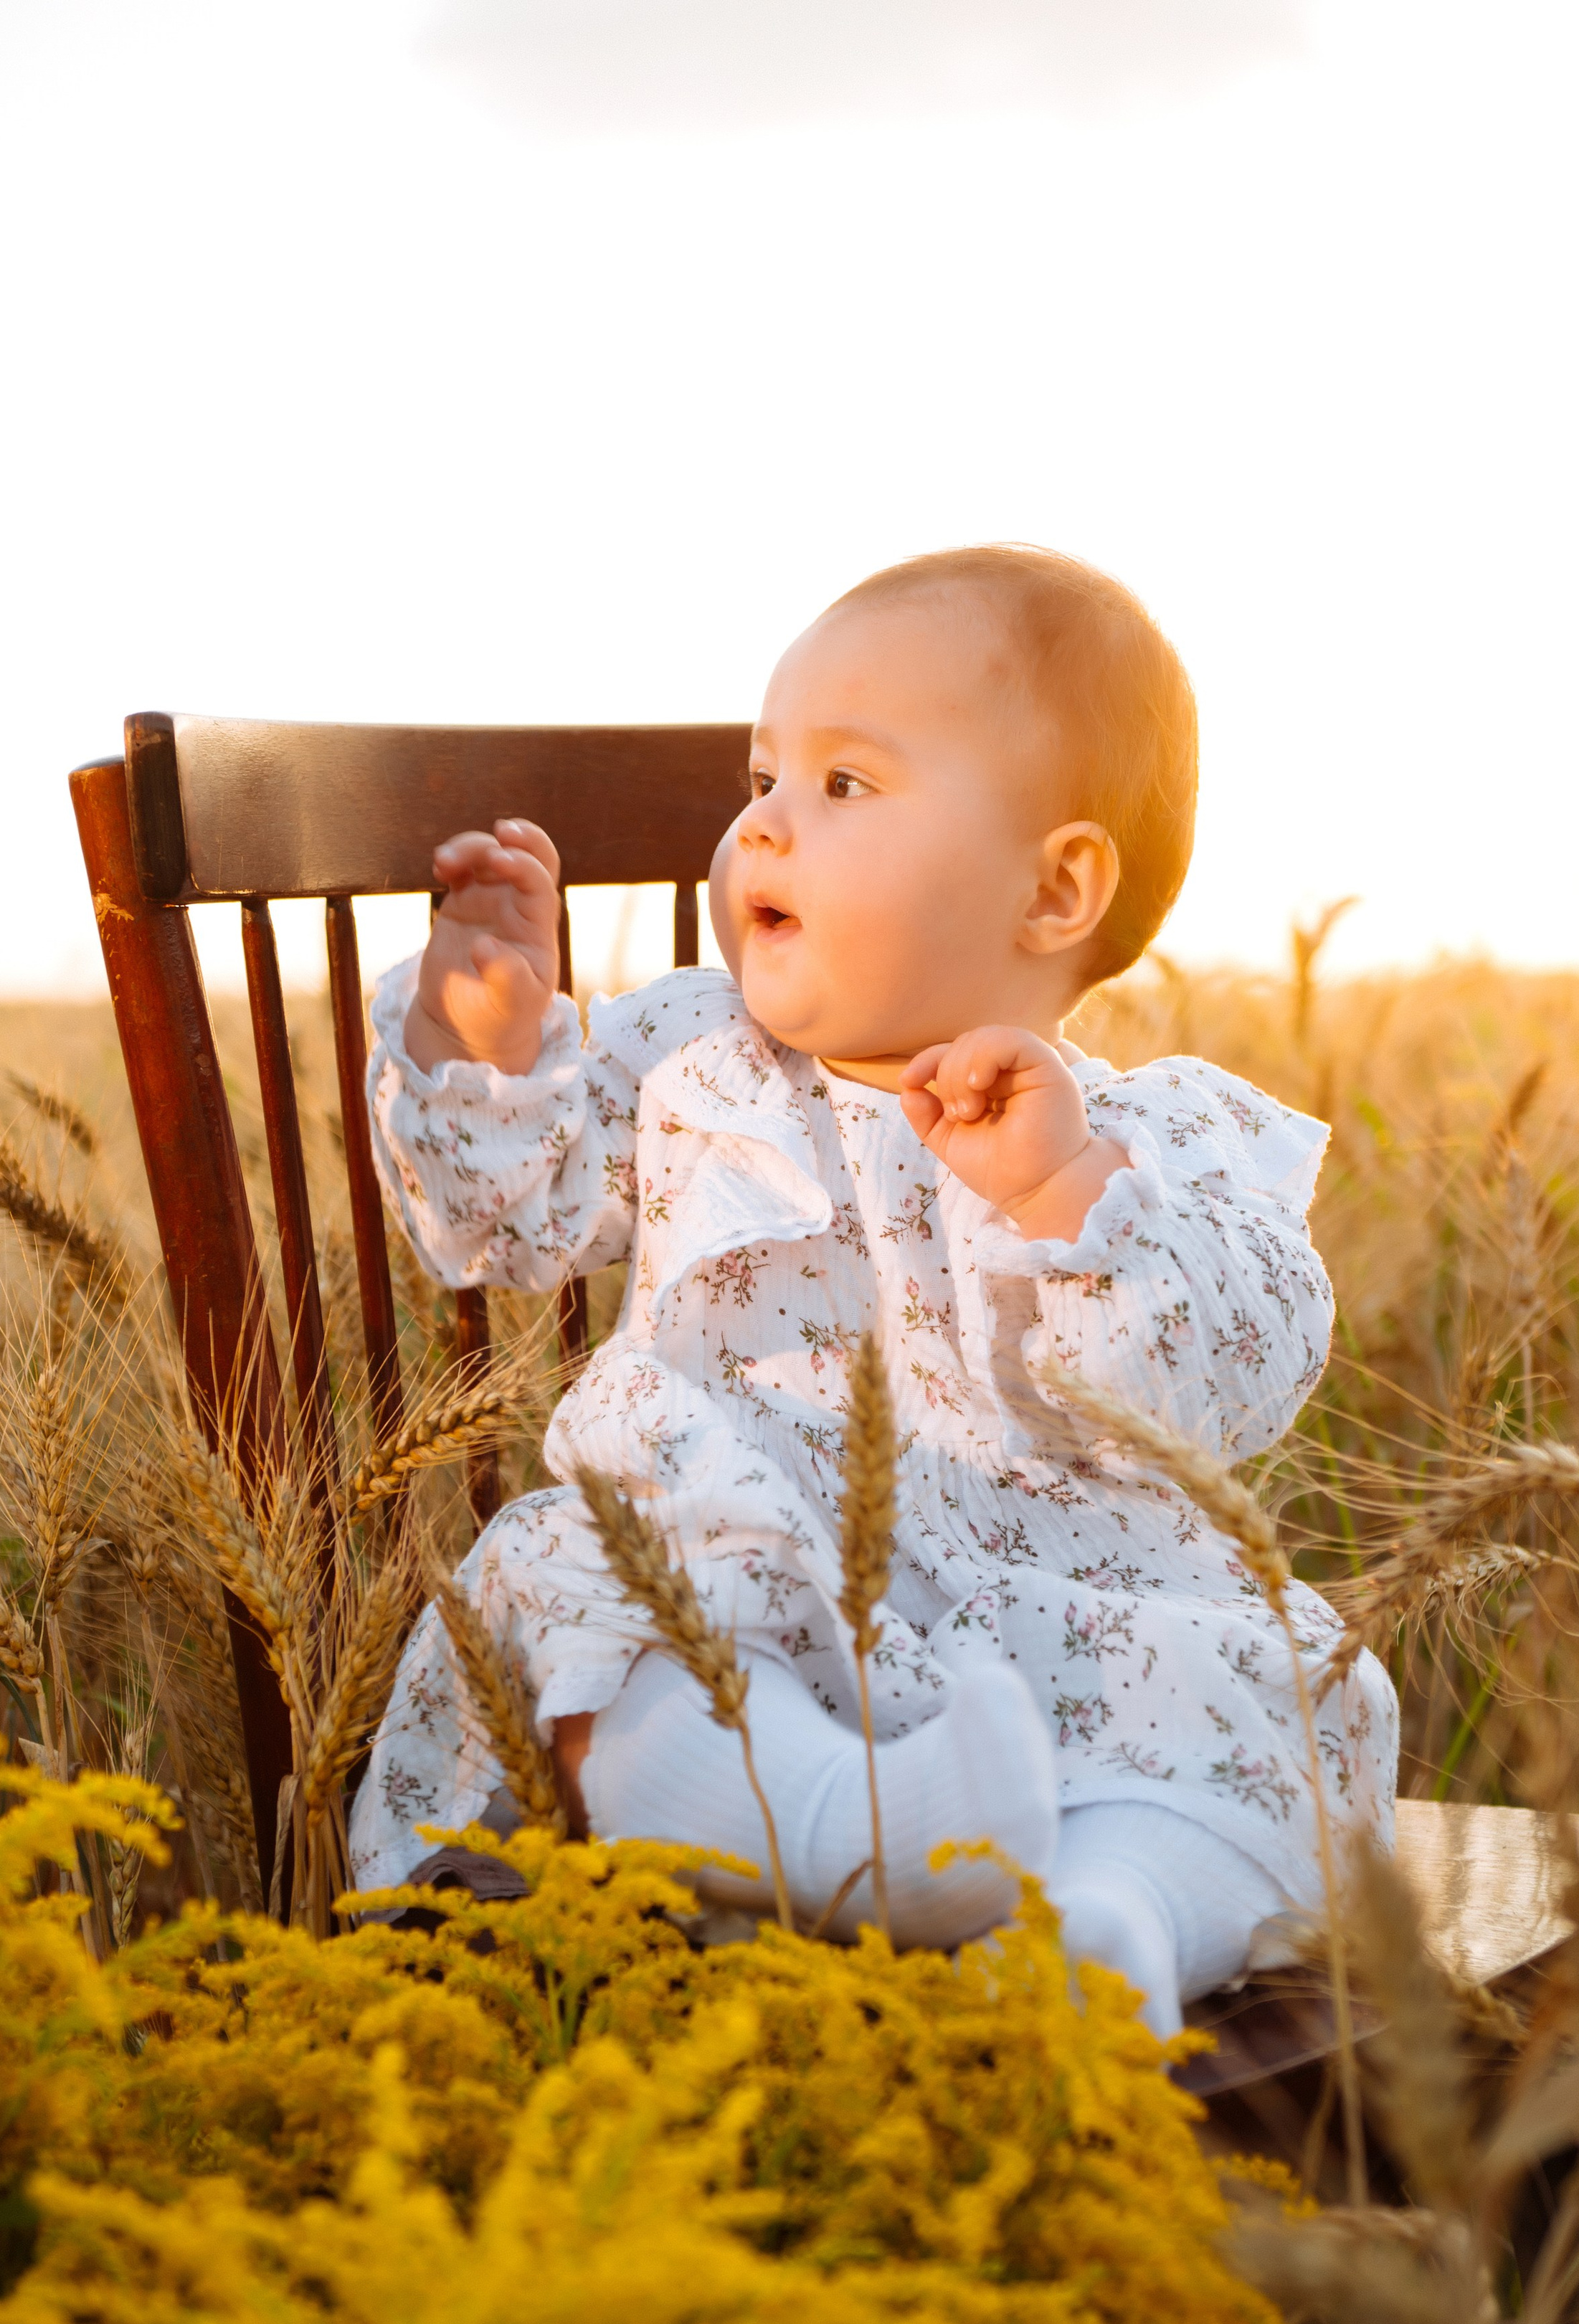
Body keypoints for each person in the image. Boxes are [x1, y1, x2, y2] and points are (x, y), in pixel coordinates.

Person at [349, 546, 1397, 2038]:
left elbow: (1228, 1378)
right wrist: (490, 1047)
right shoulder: (688, 1060)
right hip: (740, 1583)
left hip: (1060, 1632)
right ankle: (844, 1829)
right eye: (760, 776)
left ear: (1055, 887)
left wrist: (1063, 1189)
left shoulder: (1149, 1138)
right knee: (590, 1616)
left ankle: (1105, 1926)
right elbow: (497, 1225)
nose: (764, 824)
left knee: (1261, 1719)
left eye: (843, 783)